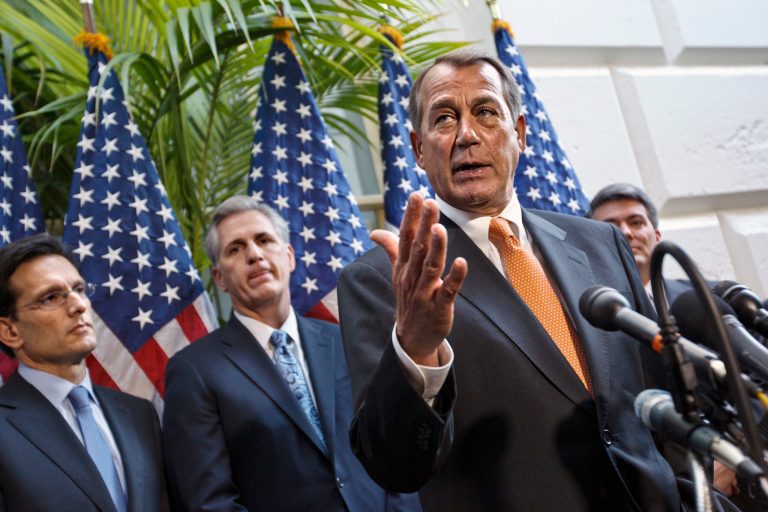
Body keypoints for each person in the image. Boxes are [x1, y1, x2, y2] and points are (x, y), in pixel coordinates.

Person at [338, 51, 697, 511]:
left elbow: (661, 390)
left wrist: (689, 492)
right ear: (417, 149)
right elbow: (395, 466)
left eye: (485, 112)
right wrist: (415, 350)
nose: (467, 136)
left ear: (520, 133)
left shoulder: (600, 243)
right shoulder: (383, 279)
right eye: (444, 119)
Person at [162, 196, 421, 511]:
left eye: (263, 240)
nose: (254, 254)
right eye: (235, 249)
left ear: (288, 257)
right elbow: (210, 503)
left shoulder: (345, 342)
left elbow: (392, 450)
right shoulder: (195, 371)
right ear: (220, 279)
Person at [0, 234, 168, 512]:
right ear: (10, 331)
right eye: (51, 297)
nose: (79, 305)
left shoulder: (139, 414)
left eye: (79, 289)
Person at [587, 182, 690, 303]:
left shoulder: (707, 297)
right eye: (610, 227)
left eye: (636, 223)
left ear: (657, 236)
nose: (625, 232)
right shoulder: (574, 316)